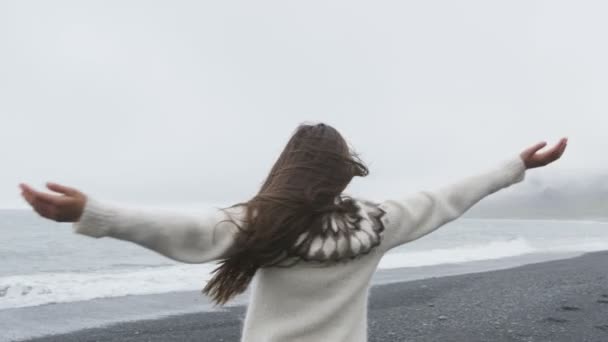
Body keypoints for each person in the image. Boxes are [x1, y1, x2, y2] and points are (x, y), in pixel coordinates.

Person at [19, 123, 567, 342]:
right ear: (339, 174)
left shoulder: (260, 223)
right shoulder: (378, 222)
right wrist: (514, 166)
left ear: (288, 170)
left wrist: (92, 213)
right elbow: (449, 196)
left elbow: (178, 228)